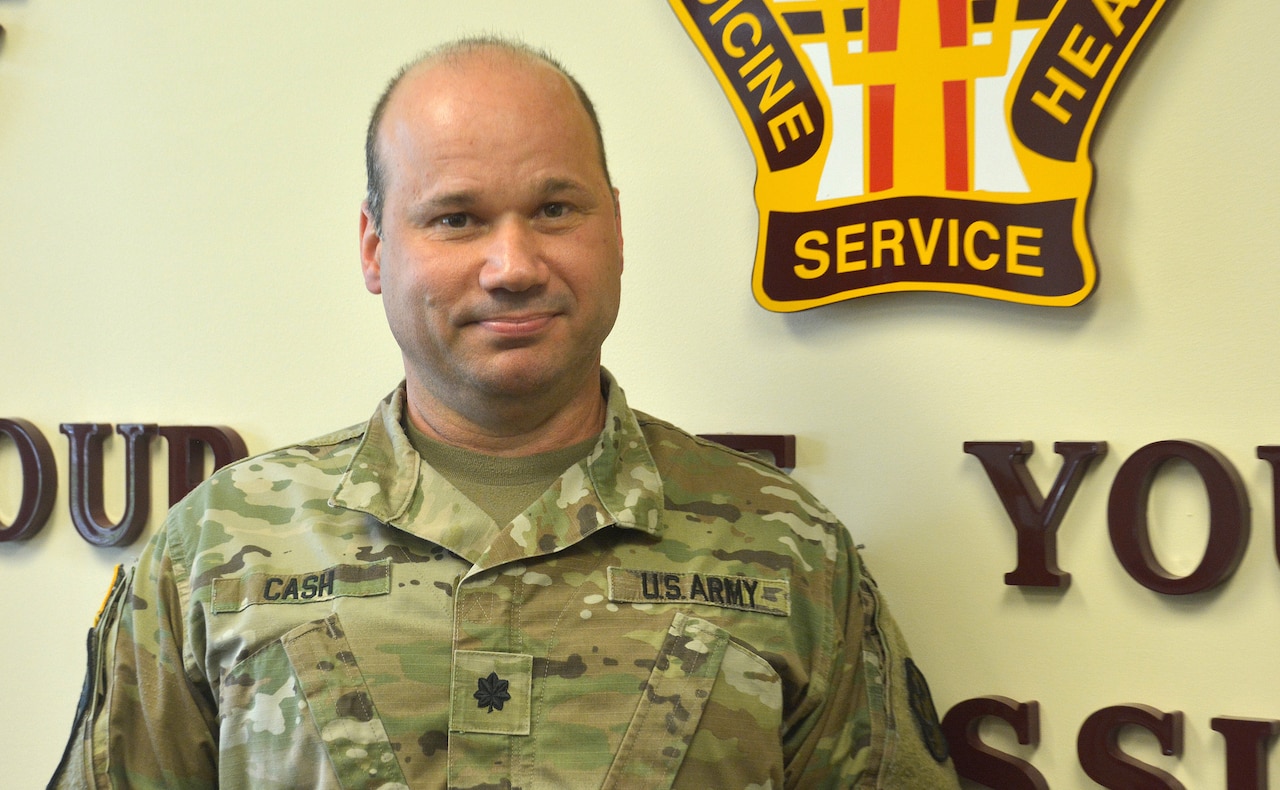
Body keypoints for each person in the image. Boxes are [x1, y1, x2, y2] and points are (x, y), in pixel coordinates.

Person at [49, 37, 961, 789]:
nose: (513, 264)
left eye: (554, 208)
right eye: (456, 219)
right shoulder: (218, 551)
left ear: (614, 227)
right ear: (375, 248)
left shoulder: (786, 549)